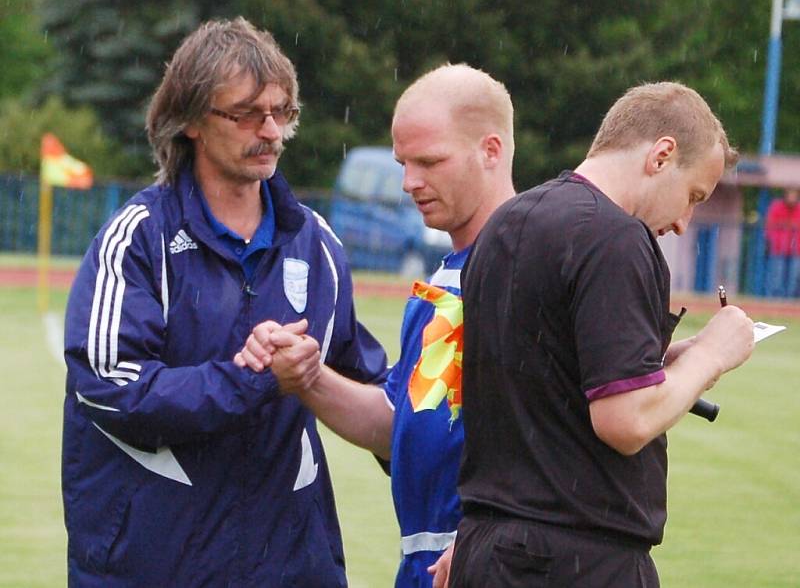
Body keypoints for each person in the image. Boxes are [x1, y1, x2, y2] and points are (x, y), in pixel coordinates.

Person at [61, 17, 387, 587]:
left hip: (292, 568)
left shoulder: (318, 244)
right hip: (154, 569)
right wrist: (254, 377)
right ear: (188, 121)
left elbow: (376, 391)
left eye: (281, 112)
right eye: (245, 113)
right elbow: (113, 390)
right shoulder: (138, 237)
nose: (270, 131)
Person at [449, 82, 756, 587]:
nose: (684, 222)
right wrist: (713, 357)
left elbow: (543, 373)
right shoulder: (615, 238)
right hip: (577, 560)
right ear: (661, 155)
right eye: (693, 196)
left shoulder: (506, 223)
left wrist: (668, 363)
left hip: (486, 548)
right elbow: (625, 420)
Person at [235, 63, 516, 588]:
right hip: (424, 567)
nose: (408, 183)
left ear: (491, 150)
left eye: (429, 162)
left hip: (494, 565)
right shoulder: (444, 281)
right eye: (402, 163)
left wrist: (494, 539)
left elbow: (566, 443)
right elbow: (398, 425)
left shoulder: (531, 267)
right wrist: (307, 375)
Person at [765, 188, 800, 298]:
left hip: (796, 249)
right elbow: (770, 226)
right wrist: (773, 241)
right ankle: (775, 297)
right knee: (777, 275)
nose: (792, 198)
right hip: (778, 248)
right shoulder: (776, 207)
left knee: (793, 276)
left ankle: (789, 298)